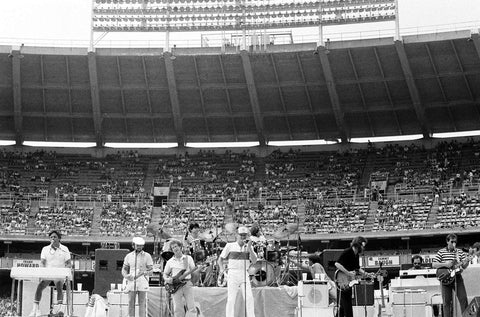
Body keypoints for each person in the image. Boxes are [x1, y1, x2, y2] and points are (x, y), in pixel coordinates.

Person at [29, 230, 71, 317]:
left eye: (55, 237)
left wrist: (66, 272)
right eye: (51, 237)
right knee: (40, 287)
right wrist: (42, 272)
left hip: (60, 273)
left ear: (59, 238)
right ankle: (35, 309)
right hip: (48, 272)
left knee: (59, 287)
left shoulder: (65, 249)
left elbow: (68, 263)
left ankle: (59, 309)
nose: (53, 239)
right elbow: (42, 262)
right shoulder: (45, 249)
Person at [218, 226, 257, 317]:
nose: (243, 237)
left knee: (249, 298)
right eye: (241, 235)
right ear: (237, 235)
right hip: (232, 273)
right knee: (231, 299)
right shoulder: (229, 245)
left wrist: (250, 248)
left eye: (245, 235)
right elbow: (220, 259)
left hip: (244, 273)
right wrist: (221, 269)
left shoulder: (248, 247)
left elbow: (254, 261)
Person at [432, 233, 469, 317]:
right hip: (445, 279)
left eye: (455, 242)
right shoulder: (441, 252)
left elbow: (464, 266)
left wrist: (466, 262)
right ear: (447, 242)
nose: (454, 244)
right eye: (452, 241)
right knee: (446, 302)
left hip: (457, 278)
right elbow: (434, 264)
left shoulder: (459, 252)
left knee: (463, 299)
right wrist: (445, 264)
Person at [334, 236, 368, 317]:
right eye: (363, 245)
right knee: (347, 304)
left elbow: (357, 268)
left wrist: (365, 273)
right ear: (358, 245)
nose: (364, 247)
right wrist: (348, 273)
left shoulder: (356, 255)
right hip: (343, 280)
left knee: (343, 306)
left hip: (349, 281)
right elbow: (337, 264)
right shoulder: (347, 251)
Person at [163, 239, 197, 317]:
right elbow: (165, 274)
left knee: (191, 306)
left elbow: (194, 270)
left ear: (180, 247)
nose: (175, 248)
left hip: (187, 284)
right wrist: (167, 279)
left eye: (176, 246)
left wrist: (199, 270)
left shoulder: (188, 258)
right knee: (177, 308)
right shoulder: (170, 261)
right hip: (175, 285)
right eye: (173, 247)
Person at [122, 237, 153, 317]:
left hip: (143, 282)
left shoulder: (147, 256)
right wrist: (126, 276)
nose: (139, 247)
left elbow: (151, 271)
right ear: (133, 245)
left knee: (142, 303)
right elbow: (124, 269)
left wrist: (146, 272)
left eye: (141, 245)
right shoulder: (128, 256)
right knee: (130, 303)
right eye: (137, 245)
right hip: (132, 282)